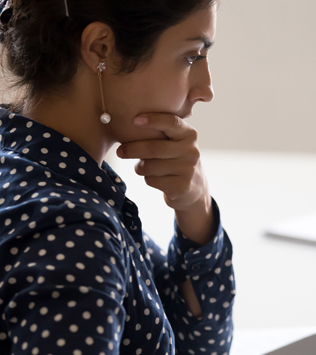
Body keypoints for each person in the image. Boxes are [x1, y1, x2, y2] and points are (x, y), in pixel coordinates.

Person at [0, 0, 235, 354]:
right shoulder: (73, 230)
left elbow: (196, 343)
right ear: (100, 48)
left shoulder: (41, 174)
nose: (206, 90)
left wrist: (195, 208)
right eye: (191, 56)